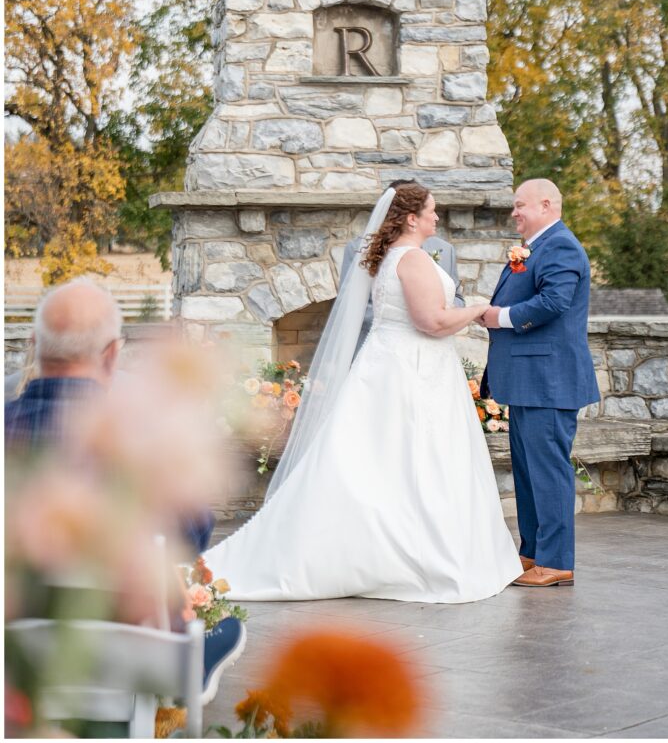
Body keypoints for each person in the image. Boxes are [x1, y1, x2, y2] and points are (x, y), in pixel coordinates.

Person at [204, 183, 522, 602]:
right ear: (412, 218)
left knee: (387, 460)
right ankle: (406, 556)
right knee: (414, 459)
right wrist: (478, 309)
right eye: (431, 211)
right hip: (411, 369)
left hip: (396, 364)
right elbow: (432, 322)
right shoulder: (410, 259)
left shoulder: (394, 257)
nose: (437, 217)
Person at [4, 277, 242, 702]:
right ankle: (189, 664)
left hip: (14, 645)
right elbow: (191, 538)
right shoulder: (144, 443)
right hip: (130, 644)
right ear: (112, 354)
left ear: (36, 345)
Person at [478, 179, 600, 588]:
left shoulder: (561, 245)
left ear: (546, 204)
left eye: (519, 206)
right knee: (529, 473)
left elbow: (553, 302)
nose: (514, 213)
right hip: (529, 381)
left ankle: (556, 560)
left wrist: (500, 317)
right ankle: (531, 553)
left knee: (548, 473)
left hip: (549, 381)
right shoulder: (535, 248)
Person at [341, 178, 465, 356]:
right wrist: (403, 321)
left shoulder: (445, 250)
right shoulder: (358, 249)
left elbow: (458, 298)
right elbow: (350, 303)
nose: (437, 217)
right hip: (381, 348)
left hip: (434, 349)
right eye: (432, 211)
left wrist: (442, 315)